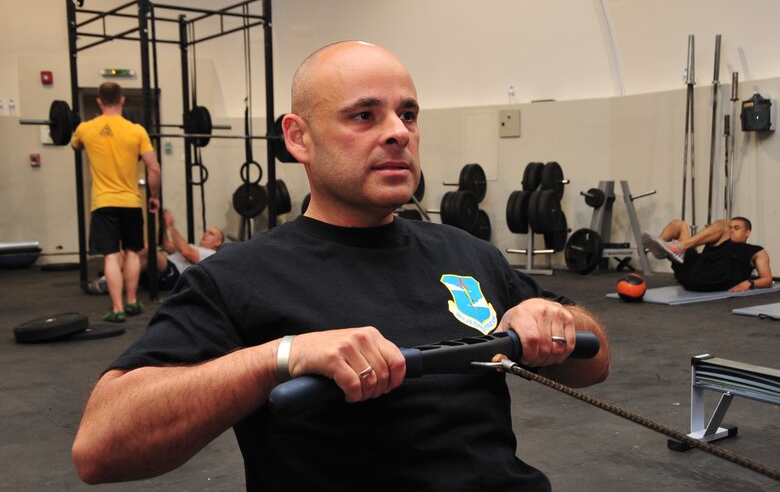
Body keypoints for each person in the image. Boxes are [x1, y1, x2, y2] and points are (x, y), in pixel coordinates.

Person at [72, 41, 611, 490]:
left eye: (408, 114)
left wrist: (560, 321)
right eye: (364, 115)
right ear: (298, 138)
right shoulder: (237, 276)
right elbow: (99, 449)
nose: (398, 131)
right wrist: (281, 357)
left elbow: (595, 362)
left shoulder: (467, 251)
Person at [71, 82, 161, 322]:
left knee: (111, 255)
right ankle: (132, 301)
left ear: (99, 102)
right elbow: (153, 168)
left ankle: (118, 307)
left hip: (103, 203)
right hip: (131, 201)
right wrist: (154, 197)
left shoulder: (85, 128)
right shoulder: (137, 131)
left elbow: (73, 144)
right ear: (122, 100)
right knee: (133, 251)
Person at [642, 217, 772, 292]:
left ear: (748, 232)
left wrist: (750, 283)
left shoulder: (756, 250)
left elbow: (767, 279)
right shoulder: (721, 244)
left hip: (715, 277)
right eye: (730, 227)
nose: (731, 230)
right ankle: (662, 250)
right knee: (678, 224)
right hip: (692, 272)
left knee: (722, 224)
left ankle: (678, 248)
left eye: (736, 228)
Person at [138, 209, 223, 290]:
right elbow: (165, 245)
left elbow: (186, 252)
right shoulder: (192, 247)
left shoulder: (212, 255)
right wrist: (163, 224)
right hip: (162, 268)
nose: (205, 234)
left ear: (218, 242)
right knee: (139, 248)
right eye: (205, 232)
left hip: (174, 274)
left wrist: (171, 226)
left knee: (149, 251)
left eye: (211, 234)